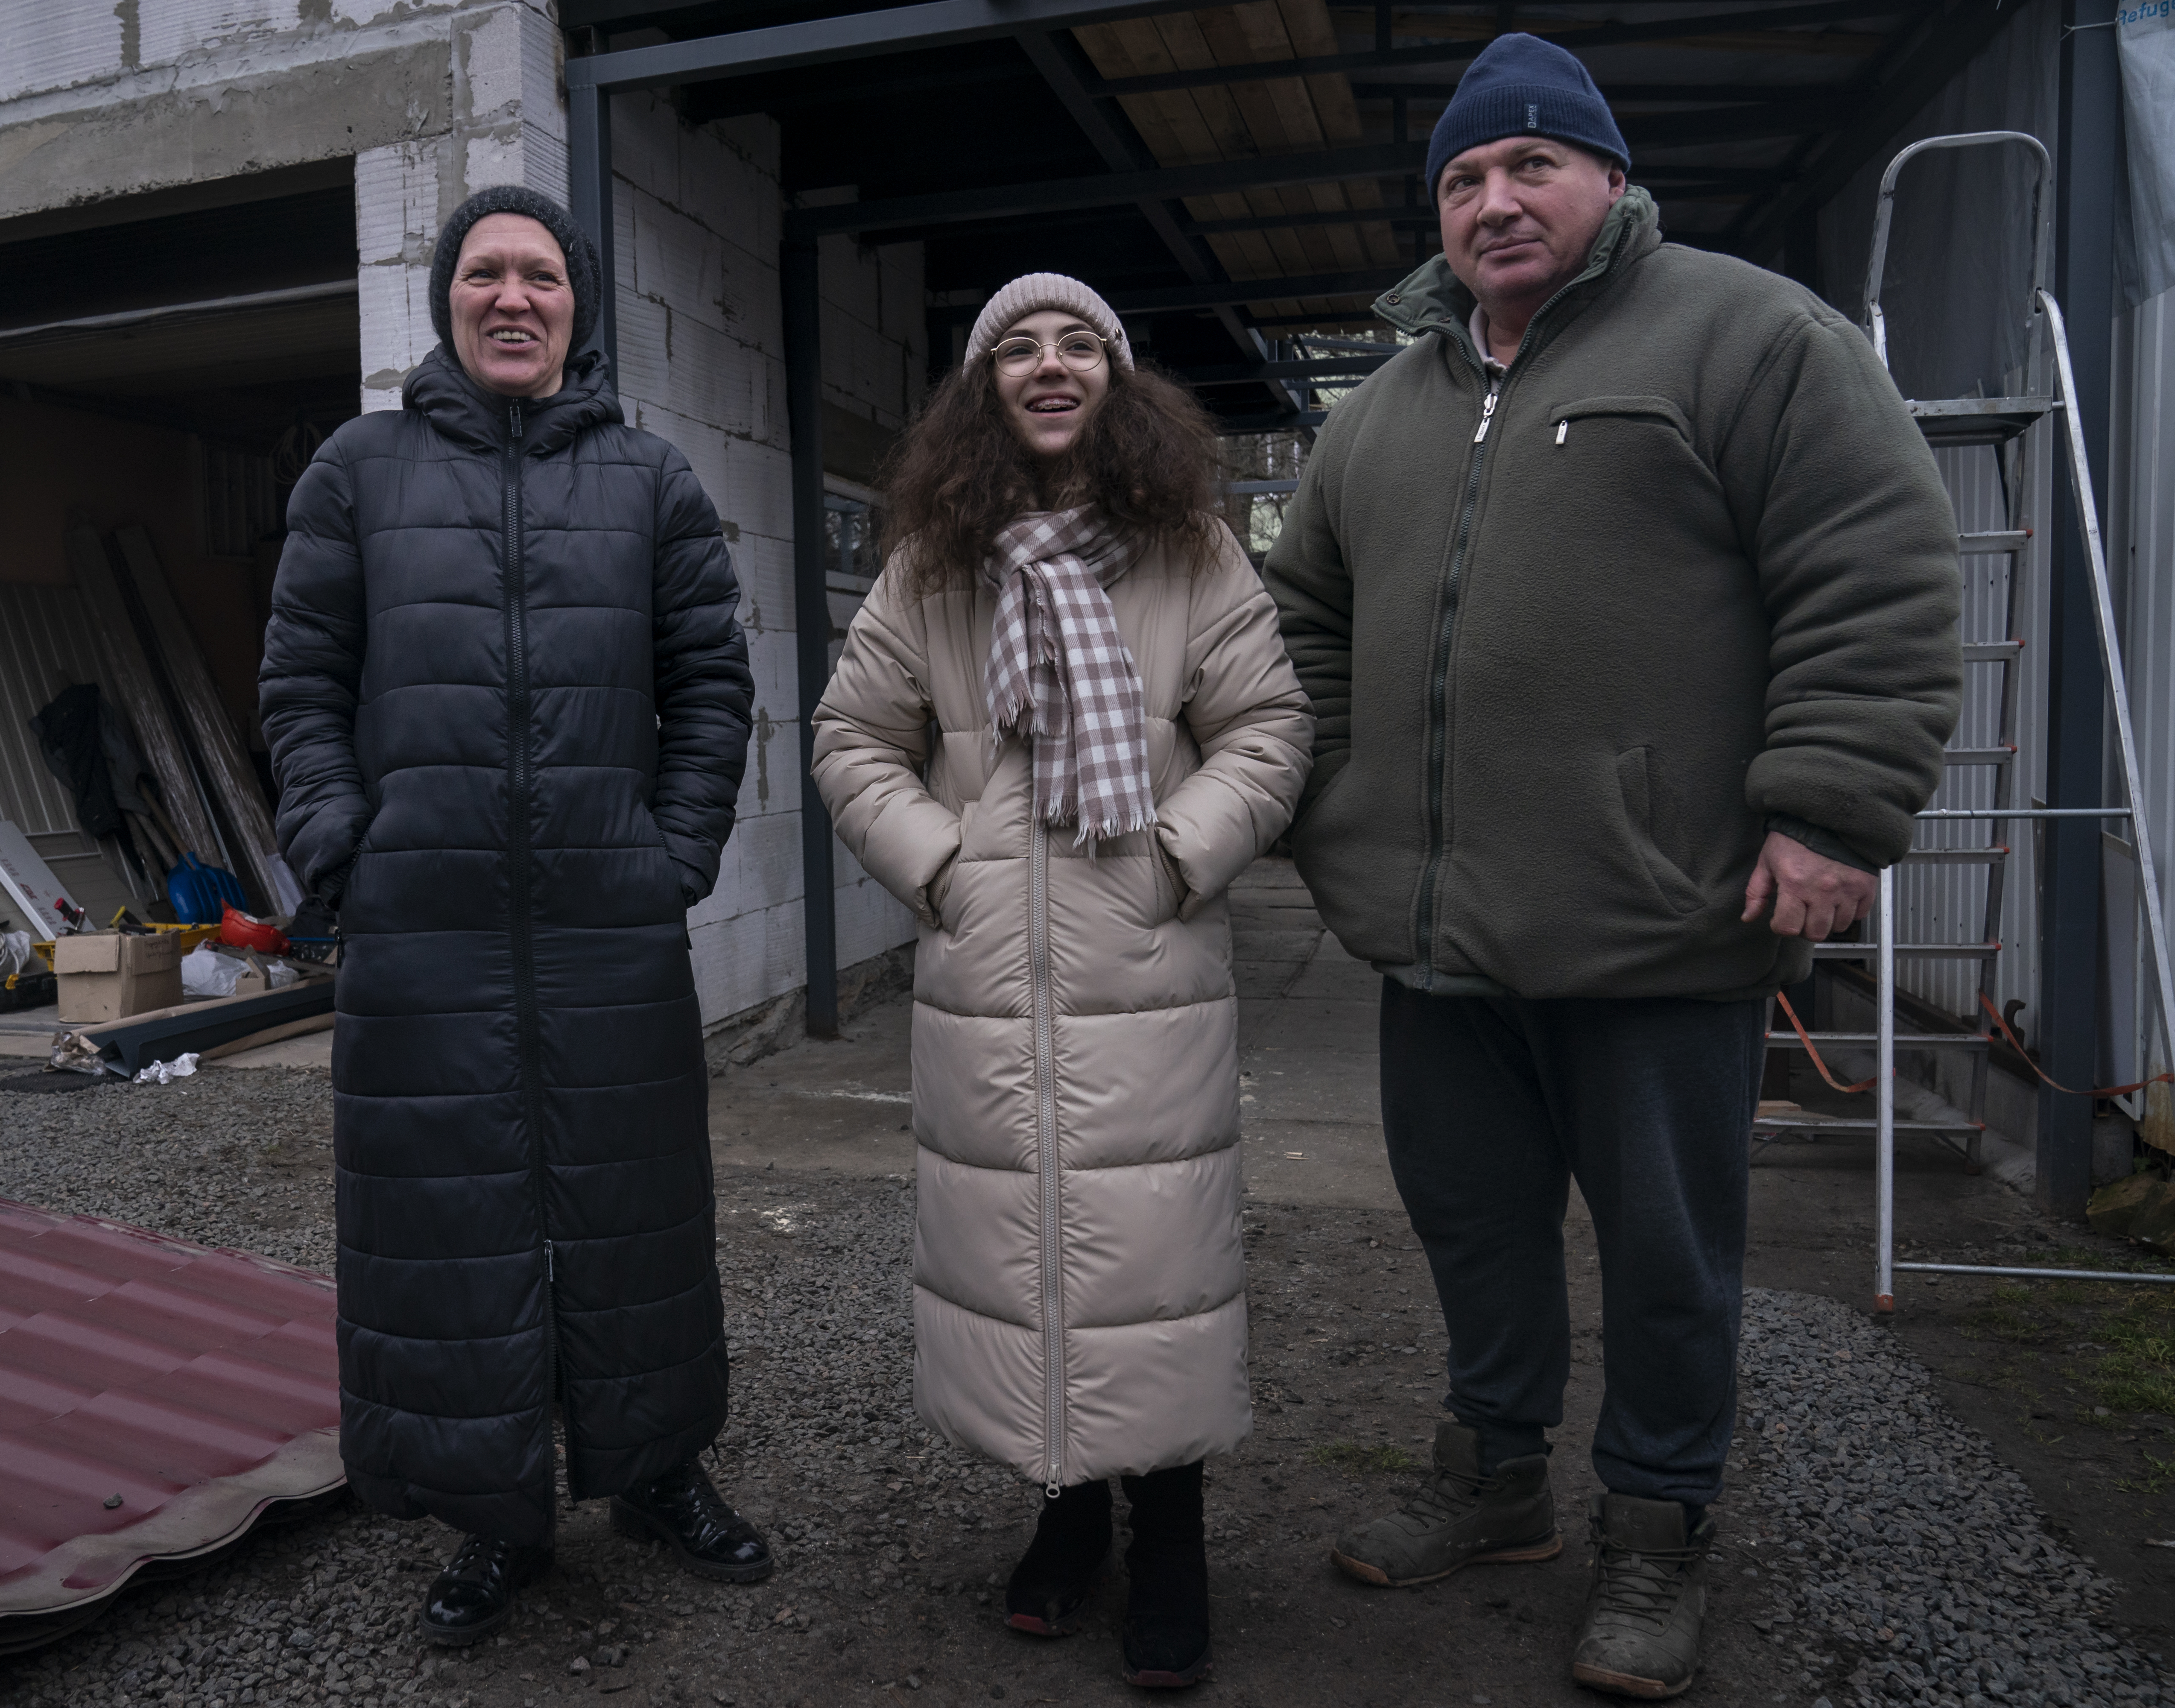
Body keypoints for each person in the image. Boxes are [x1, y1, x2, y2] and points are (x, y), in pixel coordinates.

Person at [1262, 34, 1962, 1700]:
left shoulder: (1746, 338)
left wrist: (1832, 808)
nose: (1495, 202)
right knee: (1473, 1224)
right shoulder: (1384, 415)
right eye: (1463, 180)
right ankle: (1498, 1478)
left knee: (1668, 1252)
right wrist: (1320, 802)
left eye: (1530, 168)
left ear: (1609, 179)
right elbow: (1298, 621)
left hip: (1658, 918)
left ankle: (1657, 1529)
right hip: (1439, 933)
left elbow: (1871, 569)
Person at [259, 184, 769, 1647]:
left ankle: (660, 1471)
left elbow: (710, 690)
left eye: (539, 276)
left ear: (576, 304)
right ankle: (494, 1520)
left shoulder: (651, 481)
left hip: (612, 927)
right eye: (484, 272)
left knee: (641, 1219)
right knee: (449, 1229)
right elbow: (298, 685)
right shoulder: (357, 471)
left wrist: (669, 851)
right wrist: (344, 849)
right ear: (446, 298)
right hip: (423, 936)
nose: (512, 297)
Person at [811, 274, 1312, 1690]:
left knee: (1153, 1259)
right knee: (1023, 1251)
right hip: (989, 975)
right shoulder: (932, 564)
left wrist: (1171, 859)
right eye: (1016, 346)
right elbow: (854, 737)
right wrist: (944, 864)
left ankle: (1173, 1541)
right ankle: (1064, 1513)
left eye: (1076, 342)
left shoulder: (1190, 550)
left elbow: (1268, 727)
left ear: (1117, 377)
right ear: (984, 389)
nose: (1048, 363)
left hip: (1146, 962)